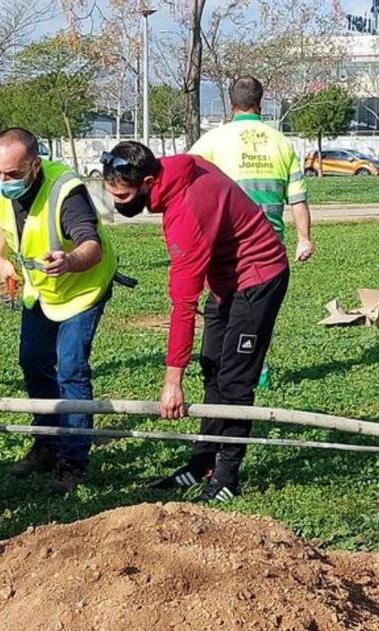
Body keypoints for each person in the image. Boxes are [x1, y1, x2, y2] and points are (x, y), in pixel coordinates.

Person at [102, 141, 289, 503]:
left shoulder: (185, 213)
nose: (118, 203)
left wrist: (172, 381)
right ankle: (203, 461)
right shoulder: (173, 172)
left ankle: (227, 477)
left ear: (149, 181)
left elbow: (183, 305)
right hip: (225, 281)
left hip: (259, 277)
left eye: (124, 196)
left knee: (236, 382)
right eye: (112, 193)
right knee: (212, 365)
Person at [0, 127, 117, 494]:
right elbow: (0, 215)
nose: (3, 180)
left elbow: (92, 245)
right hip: (40, 290)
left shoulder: (66, 191)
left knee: (71, 367)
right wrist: (0, 256)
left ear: (35, 166)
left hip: (81, 288)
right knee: (33, 361)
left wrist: (70, 261)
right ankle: (47, 442)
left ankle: (73, 461)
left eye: (12, 174)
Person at [188, 74, 311, 390]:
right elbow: (297, 198)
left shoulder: (211, 142)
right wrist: (304, 238)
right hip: (269, 249)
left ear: (231, 104)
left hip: (225, 244)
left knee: (224, 308)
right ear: (262, 102)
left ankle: (226, 370)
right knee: (257, 314)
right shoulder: (282, 143)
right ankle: (256, 367)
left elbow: (187, 185)